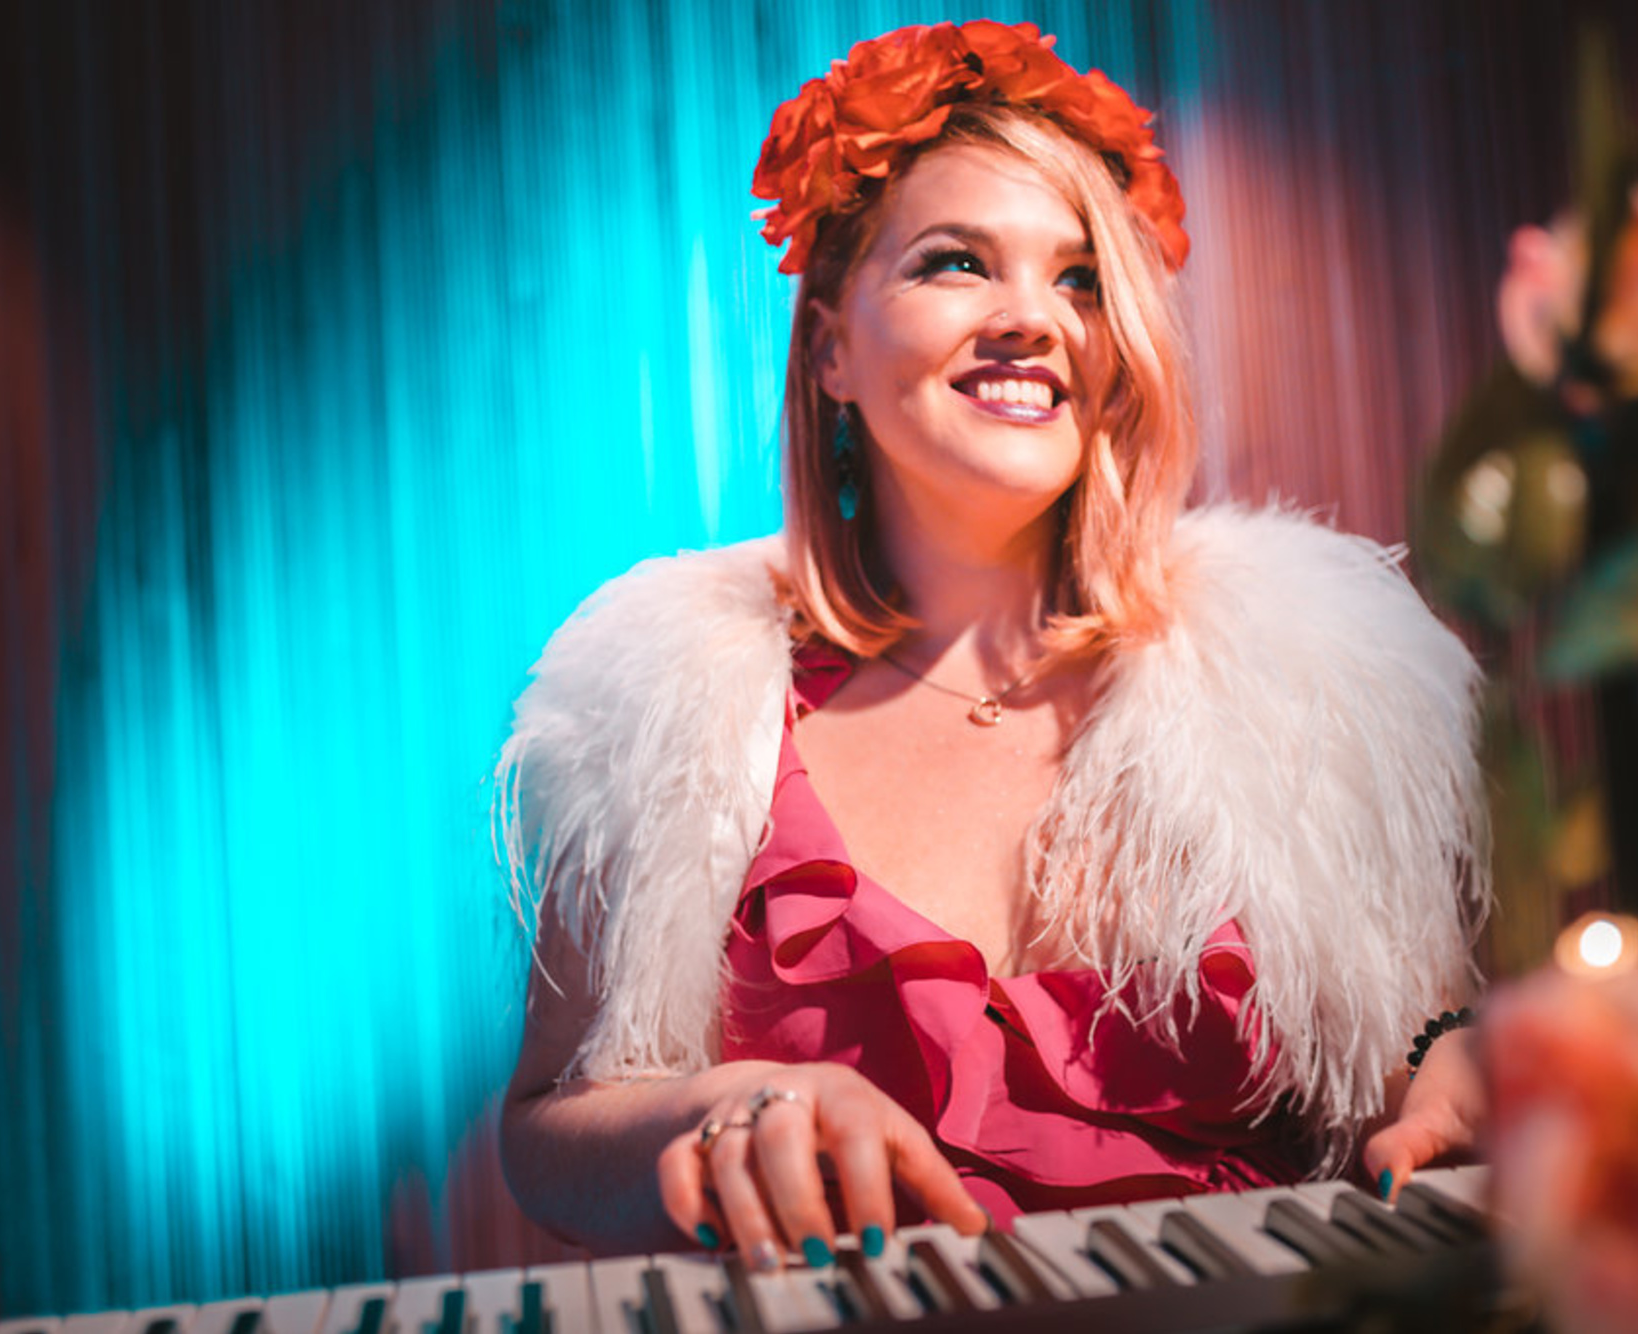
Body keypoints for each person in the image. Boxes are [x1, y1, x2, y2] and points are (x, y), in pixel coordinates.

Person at [496, 19, 1486, 1275]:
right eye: (957, 262)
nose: (1034, 319)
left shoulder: (1306, 682)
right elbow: (543, 1129)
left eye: (1079, 277)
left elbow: (1422, 1036)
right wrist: (712, 1111)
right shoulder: (666, 705)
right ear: (831, 349)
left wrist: (1457, 1062)